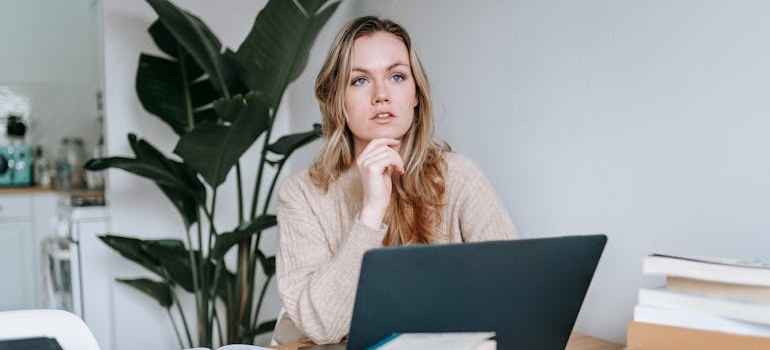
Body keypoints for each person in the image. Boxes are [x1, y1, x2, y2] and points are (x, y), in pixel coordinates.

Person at [274, 16, 518, 345]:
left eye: (397, 76)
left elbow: (516, 292)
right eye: (359, 81)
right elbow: (323, 327)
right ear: (337, 101)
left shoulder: (459, 176)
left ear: (415, 94)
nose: (381, 95)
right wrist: (371, 211)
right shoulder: (302, 194)